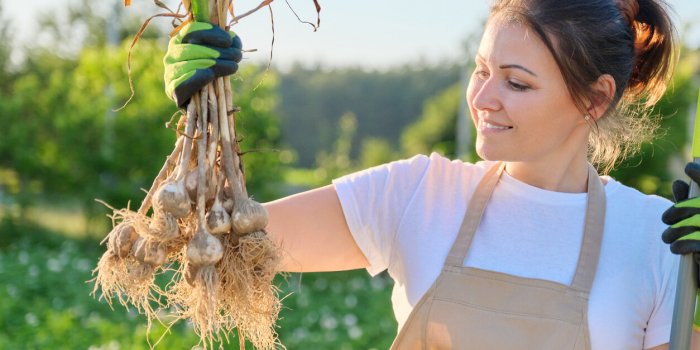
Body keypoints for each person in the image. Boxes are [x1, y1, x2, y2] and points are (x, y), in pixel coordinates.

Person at [163, 0, 700, 348]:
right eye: (481, 70)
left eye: (517, 83)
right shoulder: (419, 194)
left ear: (595, 97)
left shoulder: (659, 236)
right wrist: (198, 118)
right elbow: (221, 243)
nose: (483, 99)